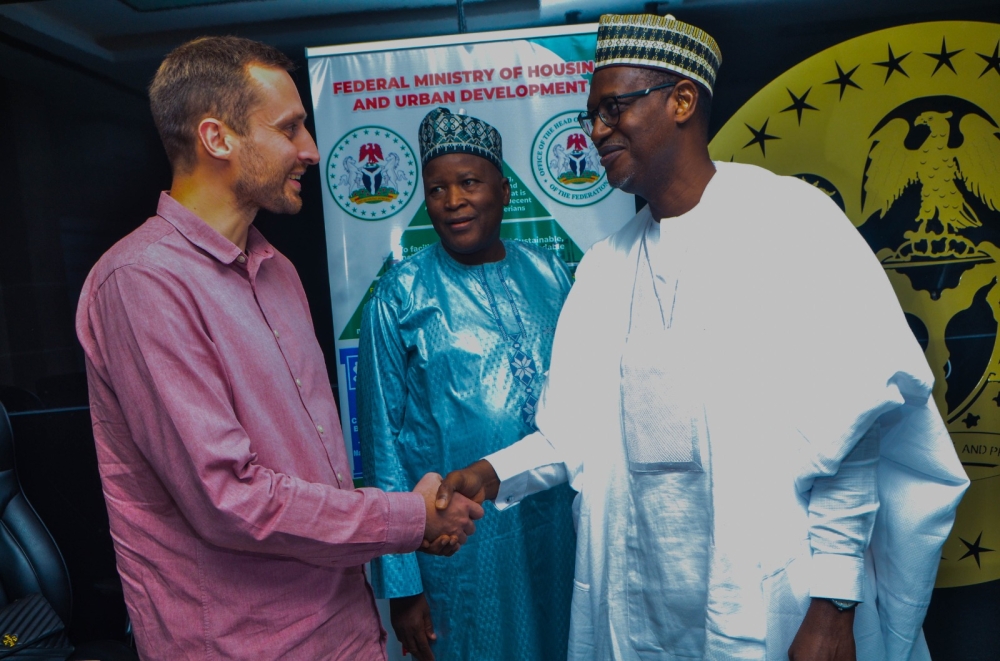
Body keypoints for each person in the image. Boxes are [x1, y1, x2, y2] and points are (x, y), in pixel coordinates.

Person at [436, 13, 970, 661]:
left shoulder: (791, 223)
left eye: (613, 109)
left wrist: (833, 604)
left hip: (769, 600)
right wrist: (493, 473)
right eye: (591, 116)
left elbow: (852, 435)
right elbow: (573, 433)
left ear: (682, 100)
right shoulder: (605, 268)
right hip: (638, 603)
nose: (597, 132)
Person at [75, 36, 483, 660]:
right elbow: (229, 501)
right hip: (249, 646)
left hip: (345, 628)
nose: (311, 151)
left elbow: (312, 471)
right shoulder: (141, 282)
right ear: (217, 138)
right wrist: (407, 518)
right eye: (290, 128)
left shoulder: (277, 270)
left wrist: (408, 519)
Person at [358, 107, 577, 661]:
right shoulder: (399, 296)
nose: (452, 200)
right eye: (437, 189)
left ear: (504, 191)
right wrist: (404, 586)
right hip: (464, 545)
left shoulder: (554, 275)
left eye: (469, 183)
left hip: (561, 531)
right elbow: (382, 444)